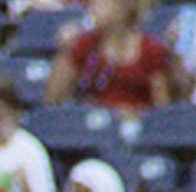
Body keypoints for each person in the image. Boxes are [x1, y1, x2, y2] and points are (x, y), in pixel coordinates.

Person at [43, 0, 177, 114]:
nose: (93, 9)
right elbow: (53, 98)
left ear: (123, 8)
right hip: (94, 123)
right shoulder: (85, 44)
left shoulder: (151, 50)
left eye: (102, 3)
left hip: (135, 127)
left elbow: (161, 108)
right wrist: (66, 50)